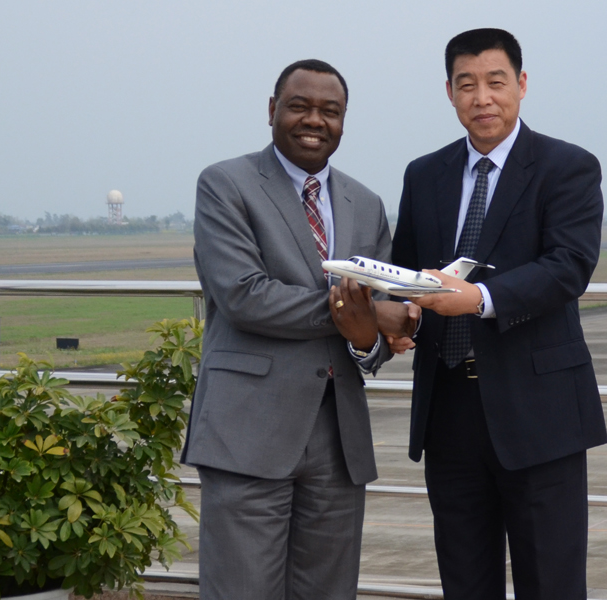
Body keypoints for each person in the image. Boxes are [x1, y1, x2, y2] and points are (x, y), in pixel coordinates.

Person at [185, 59, 417, 600]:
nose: (314, 120)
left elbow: (373, 335)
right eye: (299, 106)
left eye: (329, 111)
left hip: (338, 442)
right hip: (248, 434)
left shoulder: (367, 203)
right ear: (272, 111)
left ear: (343, 121)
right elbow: (244, 295)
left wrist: (372, 336)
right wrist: (355, 314)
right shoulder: (225, 184)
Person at [393, 28, 607, 600]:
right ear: (449, 92)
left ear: (522, 85)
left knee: (551, 583)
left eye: (496, 82)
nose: (482, 98)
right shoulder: (423, 174)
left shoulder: (568, 166)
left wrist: (481, 300)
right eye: (467, 85)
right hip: (449, 413)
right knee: (465, 582)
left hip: (539, 414)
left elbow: (569, 267)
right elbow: (408, 274)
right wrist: (397, 316)